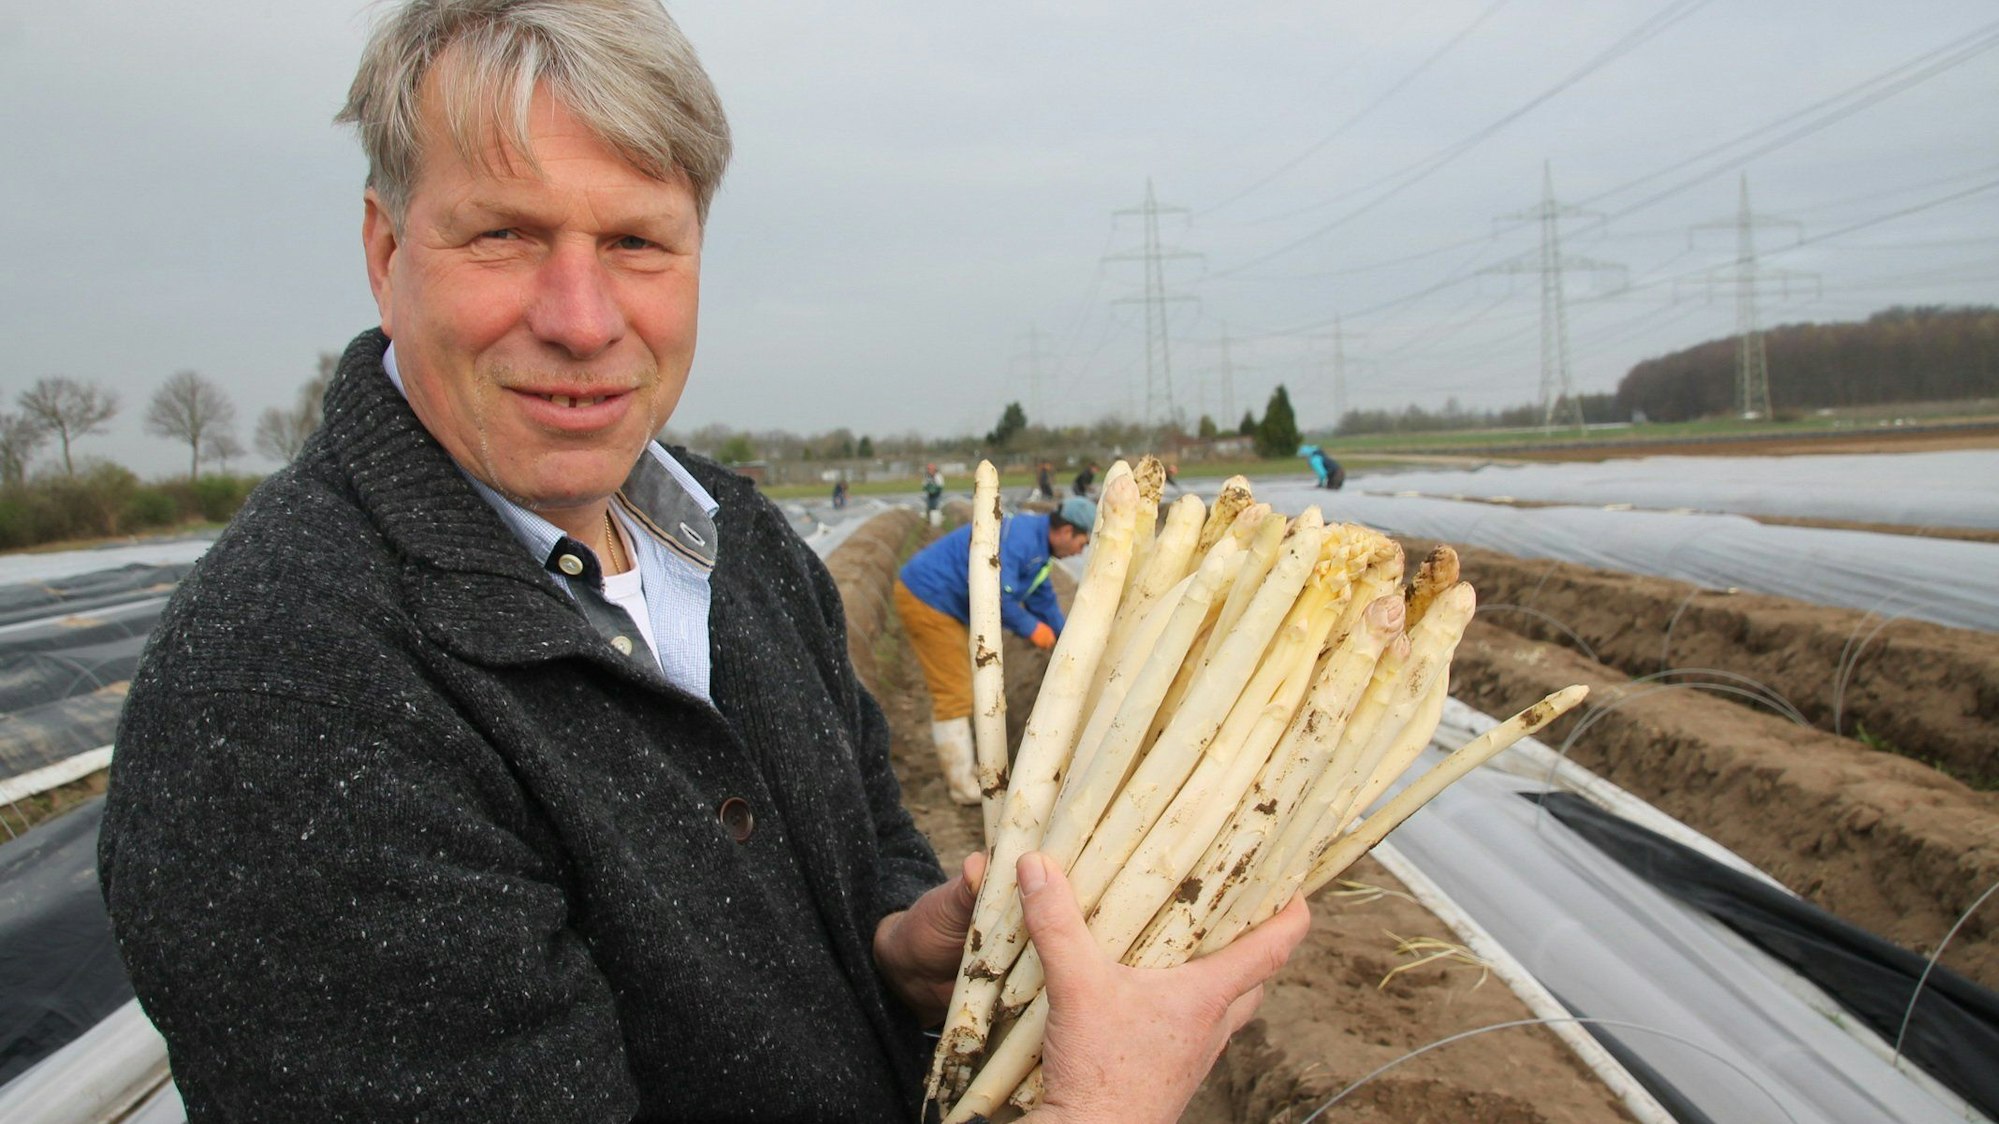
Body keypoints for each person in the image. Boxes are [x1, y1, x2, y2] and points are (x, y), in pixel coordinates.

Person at [95, 2, 1308, 1121]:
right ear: (385, 248)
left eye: (637, 241)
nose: (581, 318)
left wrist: (895, 943)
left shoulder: (739, 538)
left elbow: (871, 829)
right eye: (505, 233)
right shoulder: (284, 698)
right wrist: (1104, 1103)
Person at [894, 496, 1093, 804]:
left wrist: (1067, 638)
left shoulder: (1038, 547)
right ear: (1067, 531)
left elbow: (1042, 598)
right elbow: (996, 595)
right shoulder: (1022, 541)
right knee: (953, 692)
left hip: (943, 602)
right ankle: (962, 785)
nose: (1080, 551)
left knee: (960, 685)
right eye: (1082, 543)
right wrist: (1032, 628)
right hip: (928, 599)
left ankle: (966, 771)